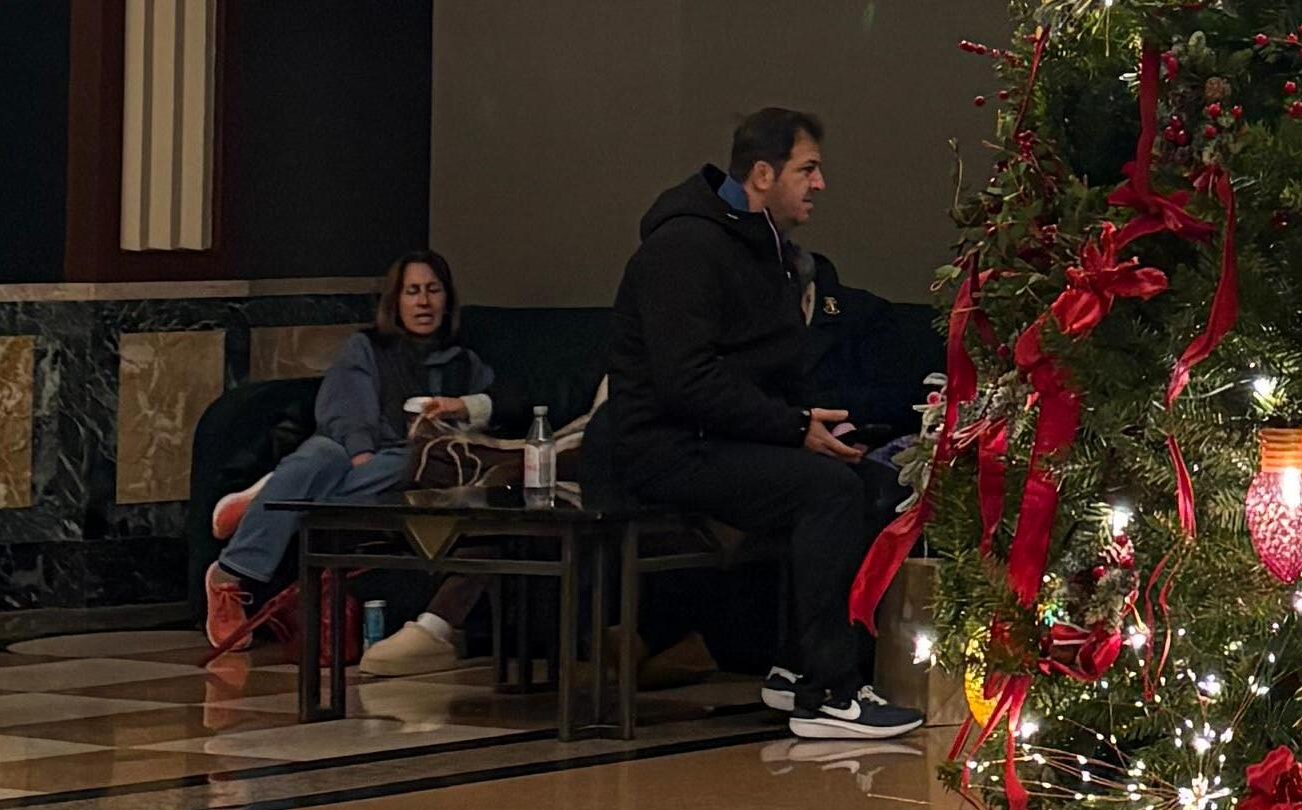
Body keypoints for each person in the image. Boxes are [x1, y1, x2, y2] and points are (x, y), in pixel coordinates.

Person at [577, 105, 912, 739]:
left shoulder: (767, 248)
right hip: (656, 446)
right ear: (763, 174)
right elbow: (687, 382)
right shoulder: (685, 246)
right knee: (827, 492)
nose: (820, 184)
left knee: (867, 479)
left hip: (720, 436)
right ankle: (829, 692)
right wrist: (790, 429)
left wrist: (815, 426)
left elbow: (769, 369)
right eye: (807, 169)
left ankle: (795, 667)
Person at [204, 246, 499, 706]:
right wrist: (359, 449)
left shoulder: (466, 362)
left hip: (409, 460)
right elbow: (343, 407)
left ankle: (274, 493)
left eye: (433, 291)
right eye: (412, 292)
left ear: (447, 299)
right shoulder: (366, 347)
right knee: (318, 454)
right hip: (352, 452)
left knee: (408, 463)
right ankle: (229, 576)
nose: (423, 302)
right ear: (395, 302)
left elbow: (481, 423)